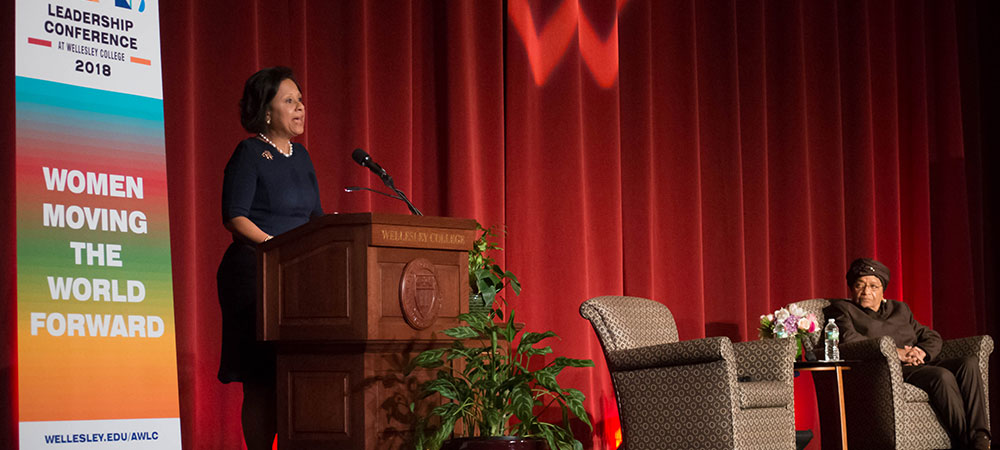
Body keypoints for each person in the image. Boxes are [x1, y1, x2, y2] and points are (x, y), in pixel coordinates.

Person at [216, 66, 323, 449]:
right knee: (261, 380)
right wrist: (276, 247)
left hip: (297, 277)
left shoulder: (302, 157)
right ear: (266, 111)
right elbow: (235, 216)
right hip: (254, 275)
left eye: (301, 100)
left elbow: (317, 220)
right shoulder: (249, 153)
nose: (300, 108)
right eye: (289, 101)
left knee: (292, 378)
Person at [824, 258, 990, 450]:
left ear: (882, 289)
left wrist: (922, 351)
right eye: (859, 285)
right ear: (852, 289)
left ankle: (981, 437)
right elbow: (850, 340)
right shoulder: (843, 310)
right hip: (889, 371)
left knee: (968, 363)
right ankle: (967, 443)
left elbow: (931, 336)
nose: (866, 292)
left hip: (919, 363)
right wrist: (897, 353)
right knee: (941, 376)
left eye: (873, 286)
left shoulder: (900, 309)